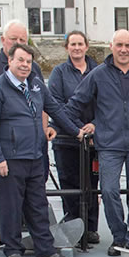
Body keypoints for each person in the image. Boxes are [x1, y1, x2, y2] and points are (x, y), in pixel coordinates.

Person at [64, 29, 129, 257]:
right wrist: (75, 127)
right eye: (119, 45)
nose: (123, 50)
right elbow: (76, 103)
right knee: (109, 191)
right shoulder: (99, 74)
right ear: (111, 46)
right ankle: (119, 237)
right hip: (109, 144)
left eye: (128, 45)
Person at [0, 43, 88, 257]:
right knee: (10, 206)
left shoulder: (36, 85)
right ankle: (13, 249)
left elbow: (56, 110)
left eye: (29, 62)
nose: (25, 65)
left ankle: (45, 250)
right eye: (20, 60)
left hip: (35, 156)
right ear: (9, 61)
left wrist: (76, 131)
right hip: (10, 159)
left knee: (38, 205)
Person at [0, 20, 44, 250]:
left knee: (33, 192)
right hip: (5, 145)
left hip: (31, 145)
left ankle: (25, 232)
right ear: (4, 41)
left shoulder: (34, 70)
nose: (18, 43)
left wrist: (42, 132)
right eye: (14, 39)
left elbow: (42, 102)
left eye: (23, 39)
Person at [47, 31, 99, 243]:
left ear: (87, 46)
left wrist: (95, 125)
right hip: (66, 140)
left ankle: (91, 228)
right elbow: (56, 106)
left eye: (80, 44)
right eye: (73, 44)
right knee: (69, 184)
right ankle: (72, 226)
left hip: (94, 139)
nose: (77, 48)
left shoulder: (99, 71)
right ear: (67, 47)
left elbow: (107, 103)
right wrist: (77, 130)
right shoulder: (58, 73)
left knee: (92, 184)